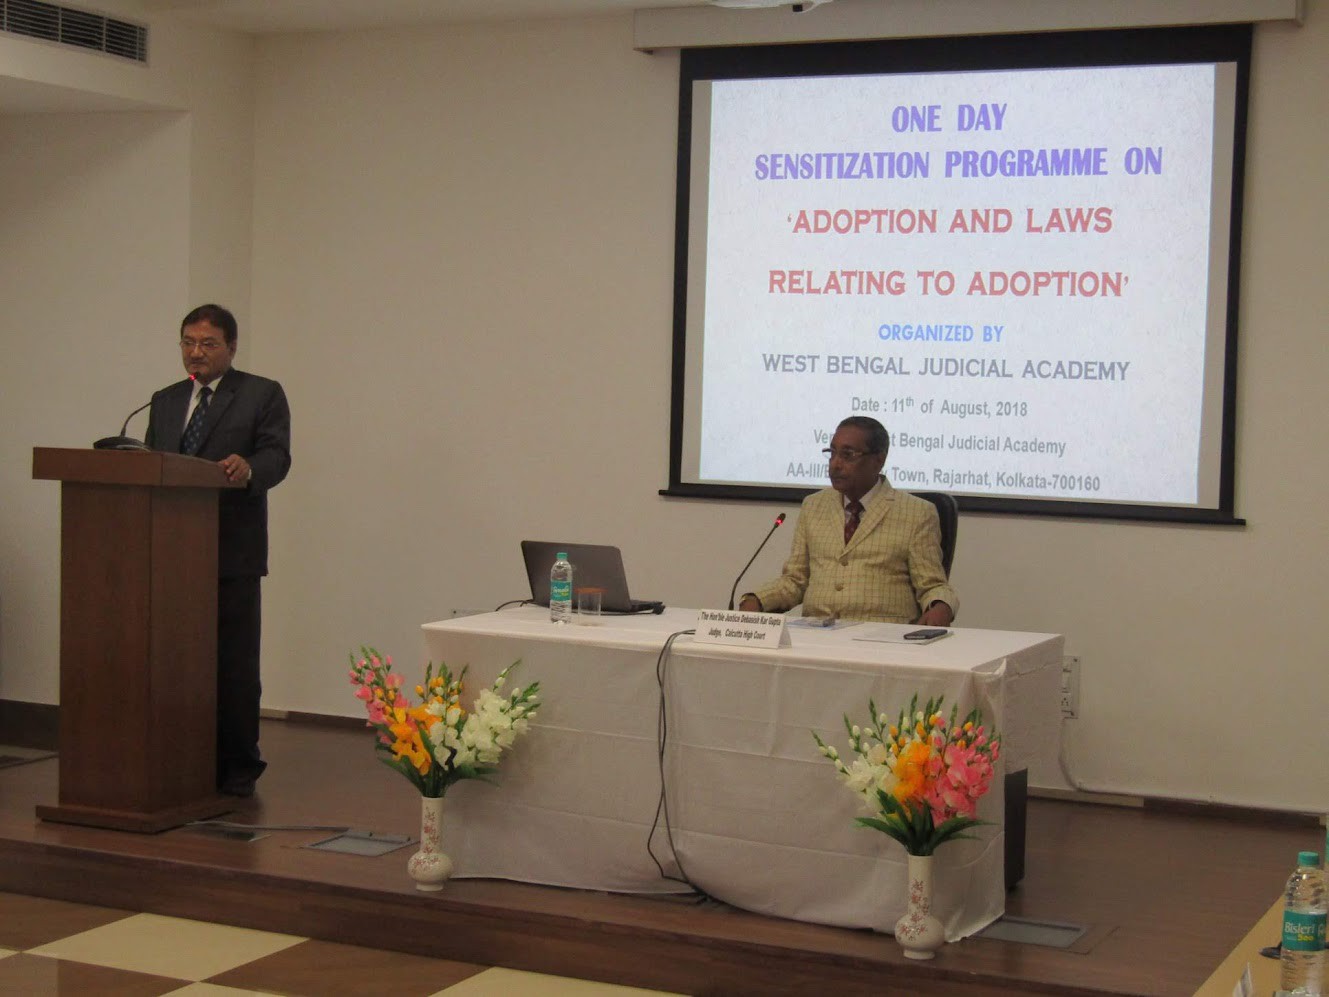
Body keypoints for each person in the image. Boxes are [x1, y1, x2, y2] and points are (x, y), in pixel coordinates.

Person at [145, 304, 291, 797]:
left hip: (231, 552)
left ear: (231, 346)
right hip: (170, 556)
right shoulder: (164, 401)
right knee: (174, 659)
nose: (196, 352)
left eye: (208, 344)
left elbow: (277, 455)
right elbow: (151, 467)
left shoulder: (260, 394)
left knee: (232, 664)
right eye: (188, 342)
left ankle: (236, 766)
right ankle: (179, 755)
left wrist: (248, 468)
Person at [739, 416, 955, 625]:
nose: (835, 464)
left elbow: (932, 585)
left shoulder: (917, 513)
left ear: (878, 460)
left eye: (848, 455)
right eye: (832, 453)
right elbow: (795, 580)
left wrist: (940, 606)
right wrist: (757, 600)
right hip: (816, 635)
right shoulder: (813, 506)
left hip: (882, 640)